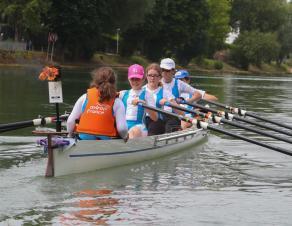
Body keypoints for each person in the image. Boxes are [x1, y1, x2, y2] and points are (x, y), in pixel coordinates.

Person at [67, 67, 128, 141]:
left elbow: (70, 121)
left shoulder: (85, 97)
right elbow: (122, 129)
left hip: (84, 140)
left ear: (95, 81)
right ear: (114, 82)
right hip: (106, 142)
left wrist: (70, 135)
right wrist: (125, 137)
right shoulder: (117, 102)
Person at [160, 58, 217, 132]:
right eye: (162, 70)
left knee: (183, 122)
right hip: (166, 115)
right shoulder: (157, 83)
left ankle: (183, 129)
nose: (179, 81)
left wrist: (188, 102)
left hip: (183, 116)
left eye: (182, 79)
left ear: (188, 80)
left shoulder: (187, 88)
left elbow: (213, 98)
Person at [119, 64, 157, 138]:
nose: (135, 81)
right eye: (132, 79)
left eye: (137, 79)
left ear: (143, 79)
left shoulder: (148, 95)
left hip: (139, 127)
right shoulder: (122, 94)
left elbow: (155, 118)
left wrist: (145, 105)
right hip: (124, 126)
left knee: (133, 133)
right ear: (128, 79)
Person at [144, 63, 179, 135]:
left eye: (155, 76)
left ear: (160, 77)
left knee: (154, 126)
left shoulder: (165, 92)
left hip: (157, 122)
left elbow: (181, 112)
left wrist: (169, 103)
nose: (152, 78)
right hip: (141, 121)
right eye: (150, 75)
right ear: (146, 76)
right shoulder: (141, 90)